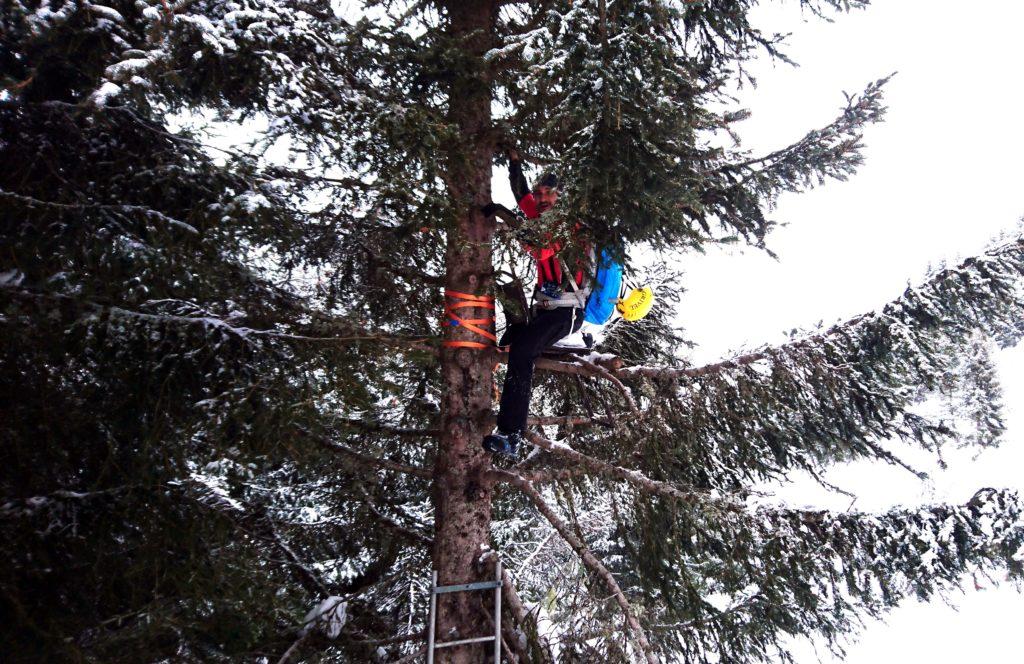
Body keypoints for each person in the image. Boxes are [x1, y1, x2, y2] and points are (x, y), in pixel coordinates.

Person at [481, 150, 590, 457]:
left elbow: (540, 250)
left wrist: (502, 213)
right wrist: (515, 161)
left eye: (549, 194)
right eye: (540, 193)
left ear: (561, 197)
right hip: (544, 308)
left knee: (523, 351)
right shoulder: (539, 215)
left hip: (568, 311)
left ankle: (511, 435)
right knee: (512, 339)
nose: (541, 199)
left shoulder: (570, 227)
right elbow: (521, 192)